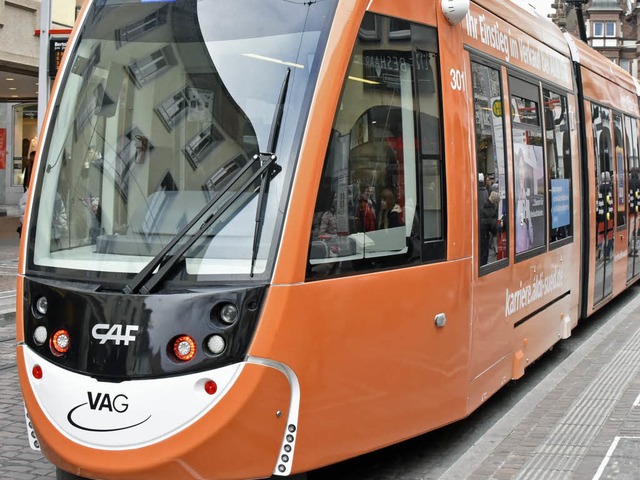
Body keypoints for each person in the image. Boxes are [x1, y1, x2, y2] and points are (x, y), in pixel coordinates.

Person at [515, 151, 532, 253]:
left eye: (523, 168)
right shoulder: (516, 195)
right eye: (519, 168)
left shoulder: (525, 193)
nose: (521, 172)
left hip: (525, 249)